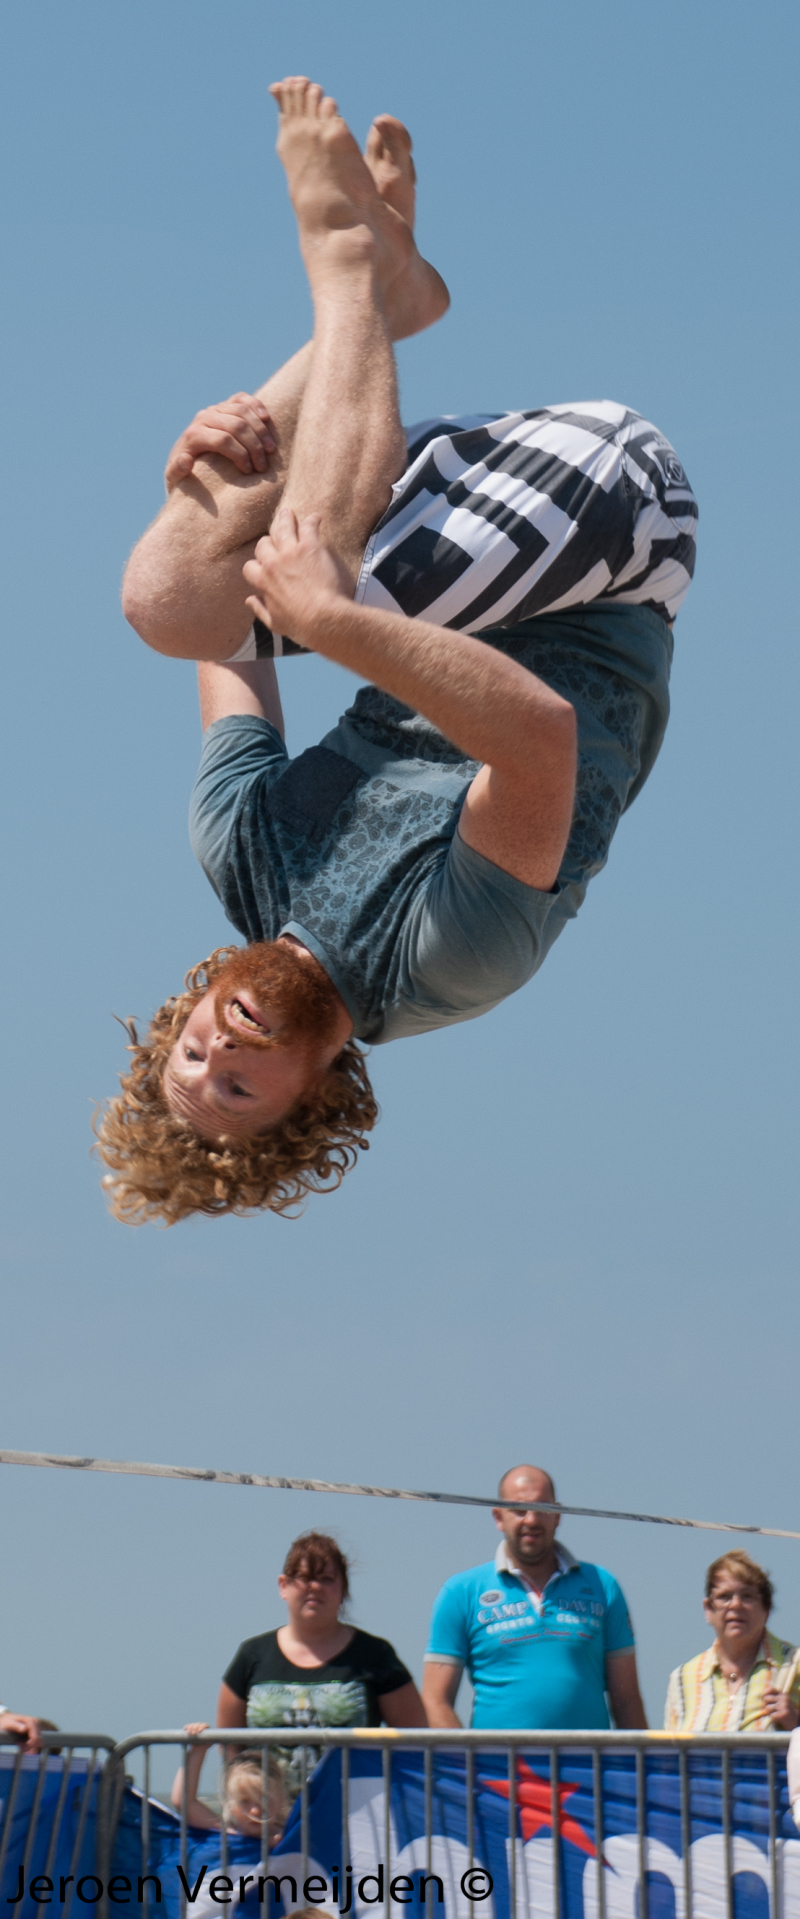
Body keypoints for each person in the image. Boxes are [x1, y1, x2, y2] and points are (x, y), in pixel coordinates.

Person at [99, 76, 697, 1226]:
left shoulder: (243, 854)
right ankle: (349, 271)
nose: (219, 1051)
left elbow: (211, 634)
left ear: (183, 1015)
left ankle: (380, 303)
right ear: (316, 1094)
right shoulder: (447, 962)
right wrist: (331, 622)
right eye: (237, 1089)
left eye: (191, 1056)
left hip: (472, 515)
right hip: (614, 533)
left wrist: (198, 481)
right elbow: (537, 736)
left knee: (165, 597)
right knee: (306, 584)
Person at [422, 1463, 647, 1730]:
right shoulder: (461, 1592)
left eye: (542, 1508)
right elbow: (434, 1702)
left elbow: (627, 1702)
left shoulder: (602, 1585)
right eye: (519, 1509)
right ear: (498, 1516)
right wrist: (467, 1757)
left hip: (587, 1757)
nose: (531, 1520)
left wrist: (643, 1757)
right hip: (499, 1758)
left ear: (558, 1515)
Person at [217, 1529, 425, 1794]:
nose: (314, 1587)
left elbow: (417, 1742)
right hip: (266, 1812)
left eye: (326, 1579)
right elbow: (229, 1744)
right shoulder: (252, 1655)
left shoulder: (375, 1655)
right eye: (304, 1578)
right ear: (283, 1586)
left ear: (343, 1590)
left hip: (352, 1810)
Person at [664, 1549, 800, 1733]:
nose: (735, 1605)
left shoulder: (794, 1665)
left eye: (747, 1596)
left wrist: (795, 1722)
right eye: (724, 1597)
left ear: (766, 1609)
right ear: (708, 1609)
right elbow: (670, 1749)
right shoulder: (682, 1678)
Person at [170, 1727, 289, 1841]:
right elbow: (184, 1802)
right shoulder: (230, 1833)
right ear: (229, 1804)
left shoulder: (292, 1837)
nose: (255, 1811)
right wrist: (198, 1749)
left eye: (264, 1799)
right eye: (244, 1801)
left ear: (280, 1798)